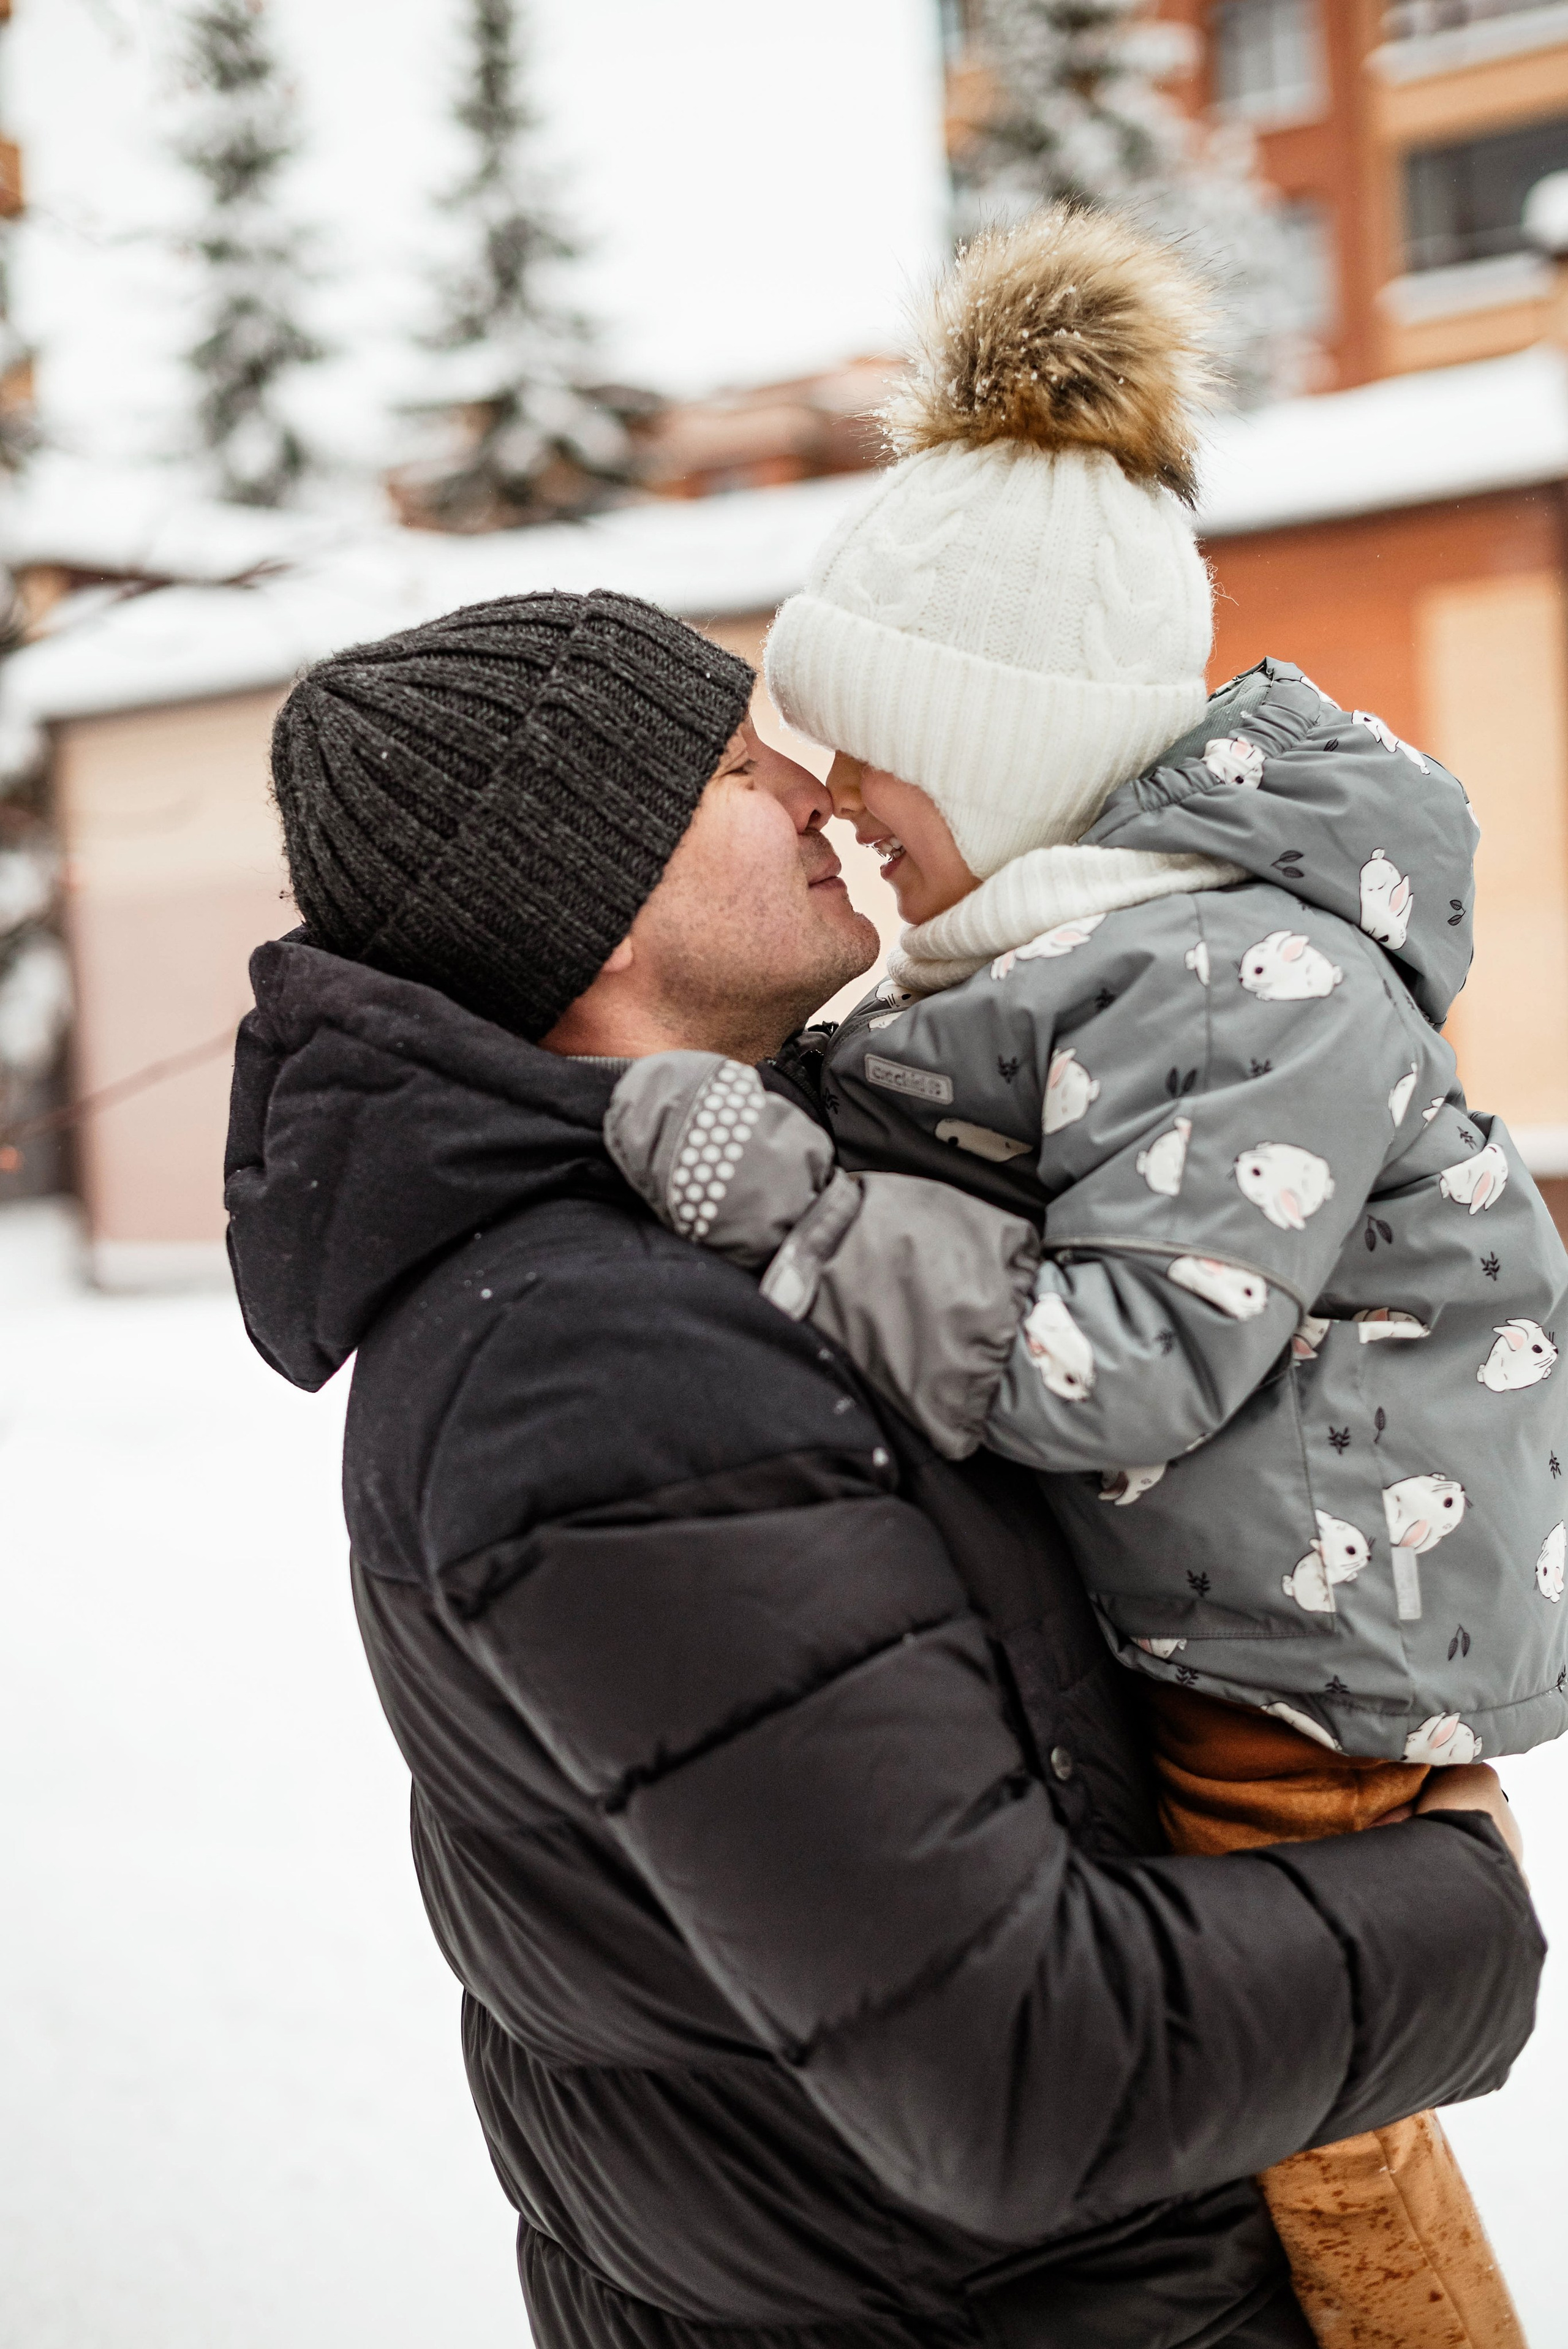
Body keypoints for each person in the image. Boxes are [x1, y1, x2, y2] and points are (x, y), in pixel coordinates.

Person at [226, 585, 1542, 2349]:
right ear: (595, 904)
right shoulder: (600, 1372)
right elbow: (1018, 2070)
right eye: (735, 764)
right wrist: (1464, 1910)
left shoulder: (741, 1226)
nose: (818, 785)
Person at [600, 212, 1562, 2347]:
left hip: (1312, 1640)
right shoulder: (1087, 957)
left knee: (1318, 2126)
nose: (834, 798)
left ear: (1020, 741)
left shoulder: (1252, 980)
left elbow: (1128, 1362)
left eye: (872, 748)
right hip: (1221, 1598)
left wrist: (802, 1213)